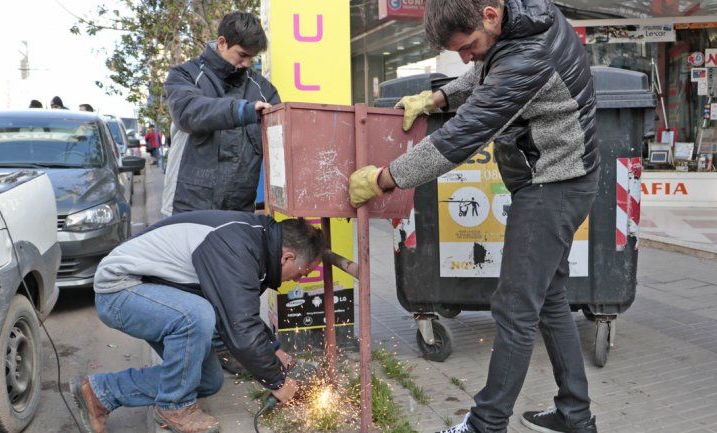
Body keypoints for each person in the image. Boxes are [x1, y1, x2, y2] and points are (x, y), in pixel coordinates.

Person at [348, 1, 600, 433]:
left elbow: (462, 135)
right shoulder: (524, 18)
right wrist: (440, 95)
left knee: (515, 306)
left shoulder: (527, 55)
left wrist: (387, 177)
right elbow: (487, 70)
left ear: (489, 15)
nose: (467, 58)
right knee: (550, 300)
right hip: (559, 177)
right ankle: (575, 414)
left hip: (553, 186)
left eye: (468, 47)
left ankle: (486, 424)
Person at [69, 212, 323, 433]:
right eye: (301, 274)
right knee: (196, 315)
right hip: (120, 290)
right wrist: (277, 381)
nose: (298, 281)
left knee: (207, 380)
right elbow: (239, 326)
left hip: (156, 292)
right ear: (287, 258)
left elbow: (239, 310)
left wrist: (274, 349)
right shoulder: (237, 246)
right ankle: (174, 407)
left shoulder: (254, 243)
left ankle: (100, 393)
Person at [163, 10, 280, 215]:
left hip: (238, 210)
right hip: (187, 206)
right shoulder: (185, 75)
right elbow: (188, 112)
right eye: (242, 55)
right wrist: (242, 110)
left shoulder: (264, 91)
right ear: (222, 42)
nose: (247, 64)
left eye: (252, 58)